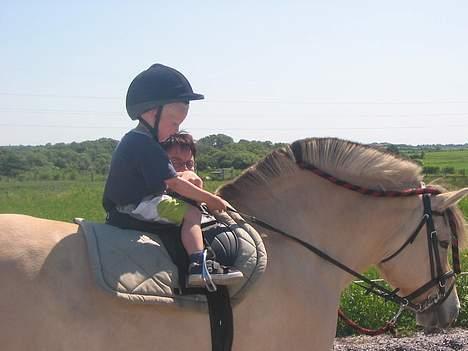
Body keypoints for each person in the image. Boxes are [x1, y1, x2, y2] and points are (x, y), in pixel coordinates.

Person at [103, 64, 242, 288]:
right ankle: (199, 264)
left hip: (133, 202)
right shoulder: (145, 144)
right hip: (138, 205)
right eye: (174, 123)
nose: (176, 130)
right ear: (151, 113)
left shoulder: (134, 139)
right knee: (192, 214)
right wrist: (210, 199)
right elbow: (175, 183)